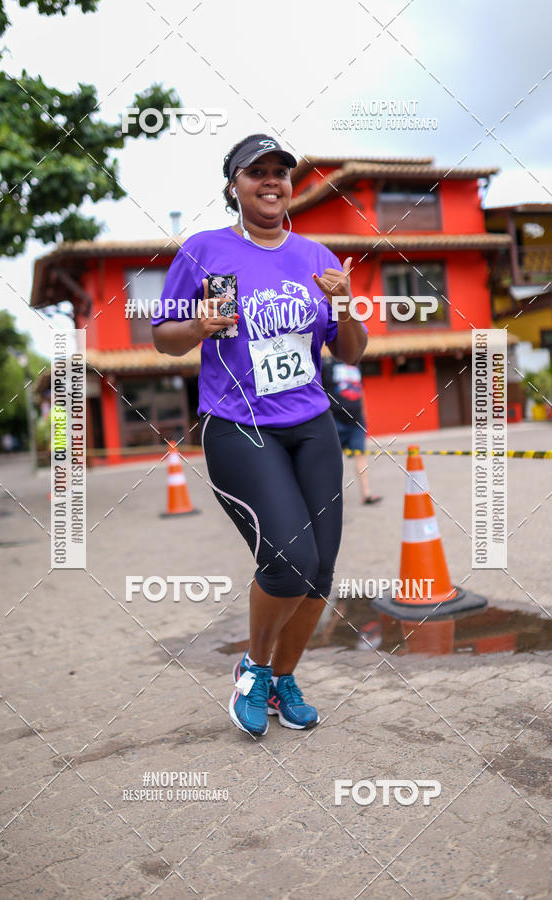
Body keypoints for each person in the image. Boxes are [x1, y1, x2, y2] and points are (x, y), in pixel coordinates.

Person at [152, 134, 367, 737]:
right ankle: (252, 668)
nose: (271, 182)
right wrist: (200, 323)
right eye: (257, 173)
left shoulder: (317, 257)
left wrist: (346, 307)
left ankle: (282, 680)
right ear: (234, 186)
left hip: (312, 424)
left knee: (321, 570)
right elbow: (163, 336)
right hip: (239, 427)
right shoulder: (203, 251)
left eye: (281, 173)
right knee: (290, 558)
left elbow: (347, 352)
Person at [321, 358, 382, 505]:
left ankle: (366, 494)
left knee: (360, 456)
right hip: (335, 420)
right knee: (335, 460)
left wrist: (364, 416)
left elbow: (361, 391)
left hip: (357, 420)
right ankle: (337, 497)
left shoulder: (356, 364)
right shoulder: (325, 364)